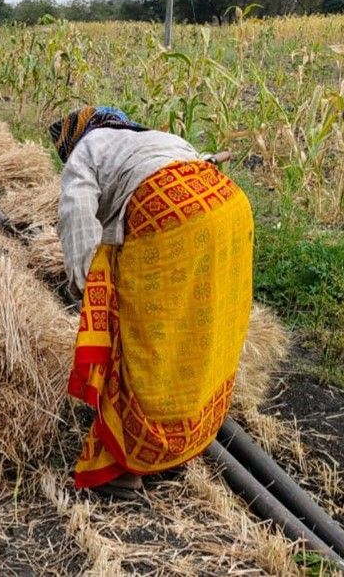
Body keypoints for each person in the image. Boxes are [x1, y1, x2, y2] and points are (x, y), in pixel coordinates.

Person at [50, 106, 253, 495]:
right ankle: (184, 443)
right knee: (198, 338)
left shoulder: (84, 152)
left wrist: (87, 290)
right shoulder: (154, 138)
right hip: (228, 211)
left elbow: (76, 217)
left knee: (144, 340)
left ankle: (124, 468)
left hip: (168, 219)